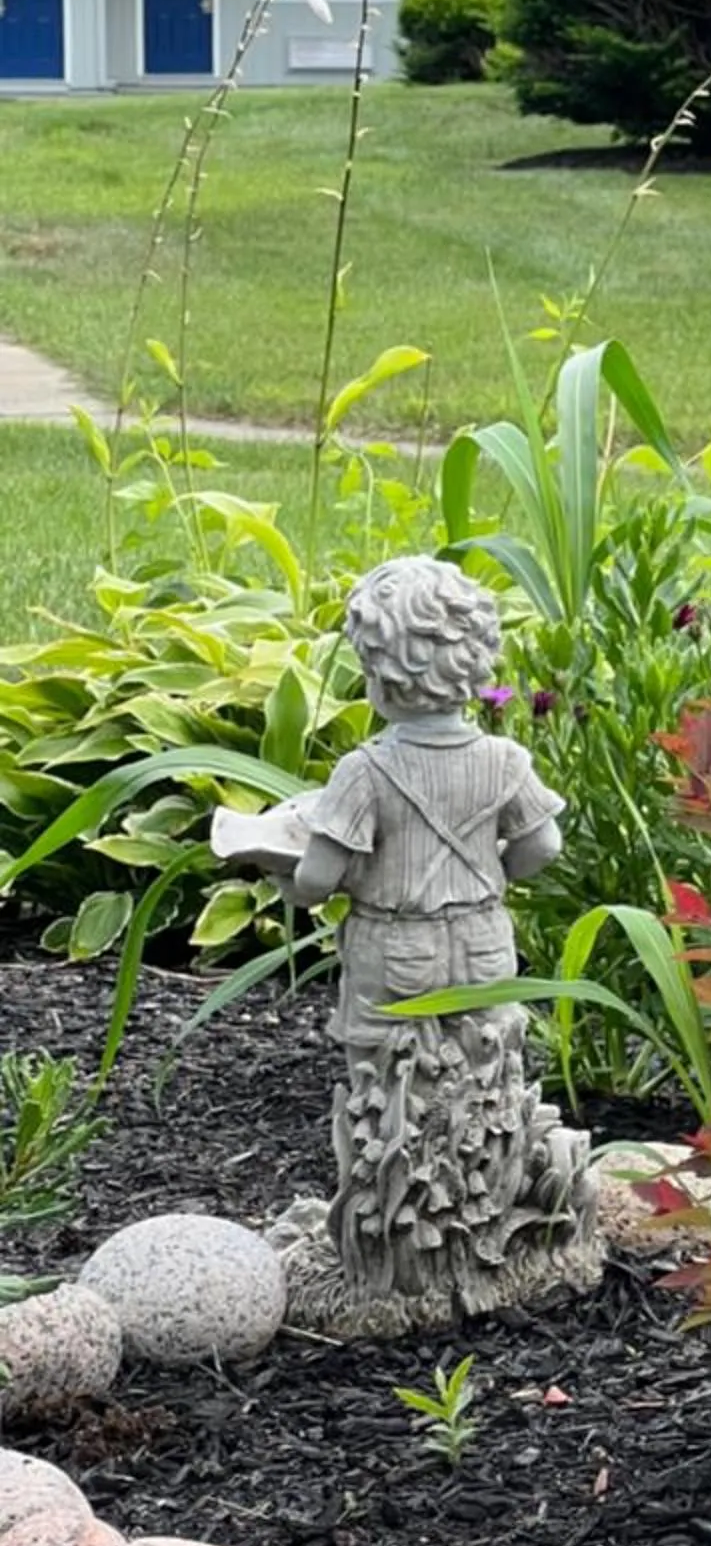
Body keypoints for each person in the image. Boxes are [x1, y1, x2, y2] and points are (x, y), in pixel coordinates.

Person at [214, 555, 592, 1315]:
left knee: (391, 1093)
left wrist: (275, 865)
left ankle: (403, 1252)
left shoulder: (365, 771)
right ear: (474, 659)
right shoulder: (504, 759)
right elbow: (541, 851)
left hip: (395, 951)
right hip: (485, 941)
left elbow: (320, 878)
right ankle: (482, 1224)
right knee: (483, 1081)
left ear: (381, 673)